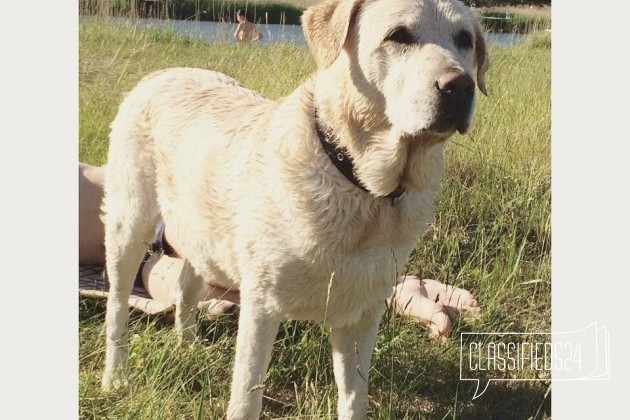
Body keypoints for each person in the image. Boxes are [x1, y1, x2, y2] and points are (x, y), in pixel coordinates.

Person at [79, 162, 479, 340]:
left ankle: (396, 288)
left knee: (279, 269)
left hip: (162, 208)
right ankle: (397, 290)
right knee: (227, 291)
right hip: (145, 253)